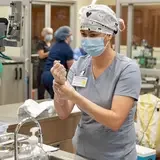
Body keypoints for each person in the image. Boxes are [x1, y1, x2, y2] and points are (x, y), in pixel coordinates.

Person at [51, 4, 142, 160]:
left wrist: (74, 96)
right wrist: (59, 89)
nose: (86, 39)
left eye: (92, 35)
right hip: (82, 152)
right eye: (83, 34)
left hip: (117, 156)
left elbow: (115, 121)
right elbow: (63, 113)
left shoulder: (127, 69)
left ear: (108, 35)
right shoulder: (80, 65)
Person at [42, 26, 74, 99]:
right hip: (54, 77)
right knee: (60, 101)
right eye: (70, 35)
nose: (71, 37)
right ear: (66, 37)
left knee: (54, 99)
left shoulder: (54, 45)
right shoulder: (67, 49)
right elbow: (72, 68)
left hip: (45, 76)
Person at [36, 27, 53, 99]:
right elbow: (41, 55)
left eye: (51, 34)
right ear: (44, 34)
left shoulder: (52, 44)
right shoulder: (40, 44)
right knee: (41, 89)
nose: (50, 35)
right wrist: (51, 52)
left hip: (50, 69)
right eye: (48, 34)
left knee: (51, 88)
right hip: (42, 68)